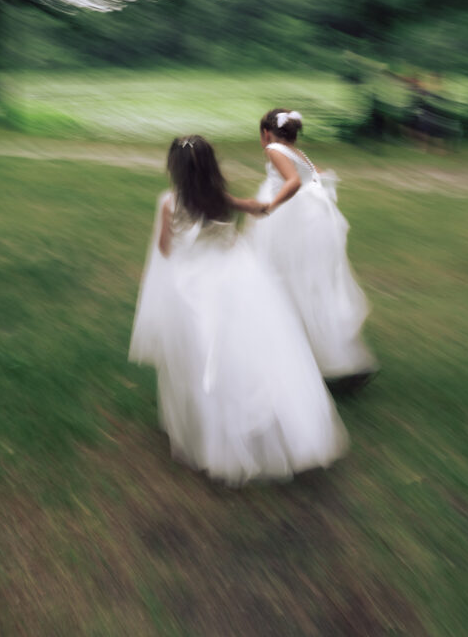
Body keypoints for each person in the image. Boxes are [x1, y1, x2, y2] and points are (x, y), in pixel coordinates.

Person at [129, 135, 348, 486]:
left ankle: (213, 433)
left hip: (194, 285)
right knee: (251, 351)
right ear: (212, 166)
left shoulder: (169, 202)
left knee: (201, 354)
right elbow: (250, 216)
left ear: (175, 169)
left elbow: (165, 251)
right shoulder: (221, 199)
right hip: (236, 278)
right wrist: (265, 208)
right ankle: (271, 425)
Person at [253, 109, 378, 393]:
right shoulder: (298, 153)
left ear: (265, 133)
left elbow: (294, 182)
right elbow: (318, 177)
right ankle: (339, 359)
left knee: (289, 285)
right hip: (315, 225)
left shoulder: (274, 148)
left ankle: (319, 360)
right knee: (312, 288)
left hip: (293, 227)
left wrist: (269, 207)